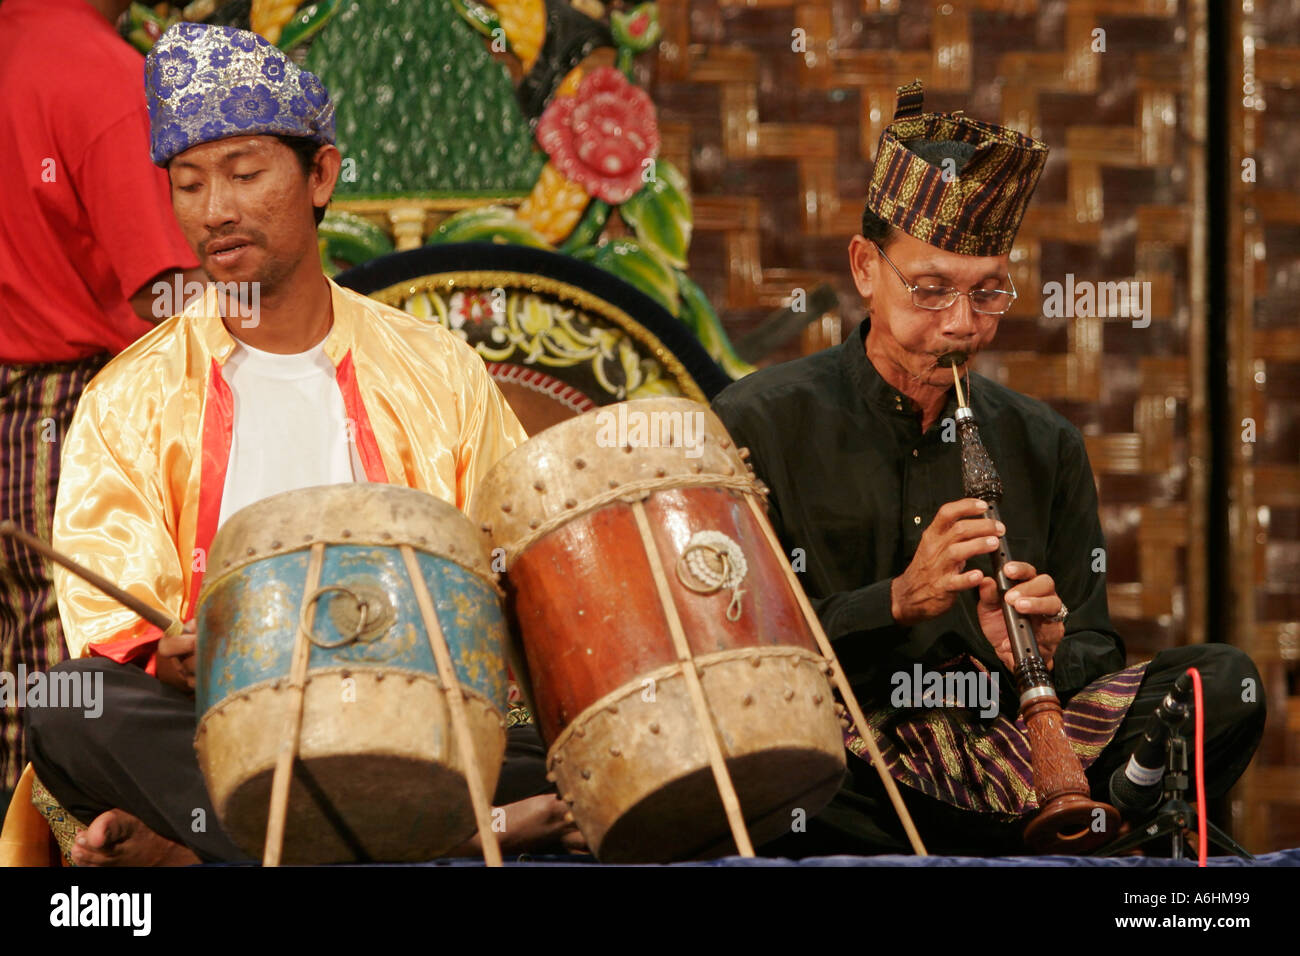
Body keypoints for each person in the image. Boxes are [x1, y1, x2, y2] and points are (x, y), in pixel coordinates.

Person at [25, 23, 579, 865]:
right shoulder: (126, 399)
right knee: (71, 701)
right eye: (189, 184)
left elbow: (519, 573)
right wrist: (166, 657)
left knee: (568, 740)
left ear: (320, 175)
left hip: (424, 724)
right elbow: (114, 627)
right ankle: (437, 843)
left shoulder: (439, 370)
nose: (216, 211)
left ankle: (250, 849)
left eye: (246, 174)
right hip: (240, 732)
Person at [712, 81, 1265, 856]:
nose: (962, 326)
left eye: (988, 292)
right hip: (853, 758)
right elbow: (732, 653)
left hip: (1005, 751)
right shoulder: (759, 421)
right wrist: (896, 602)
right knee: (760, 752)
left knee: (1223, 681)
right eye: (931, 290)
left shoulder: (1045, 443)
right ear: (866, 267)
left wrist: (1040, 648)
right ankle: (1107, 828)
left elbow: (1097, 656)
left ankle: (1077, 816)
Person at [0, 0, 205, 815]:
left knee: (25, 683)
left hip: (20, 408)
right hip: (65, 406)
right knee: (79, 680)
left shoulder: (18, 46)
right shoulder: (98, 72)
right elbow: (172, 294)